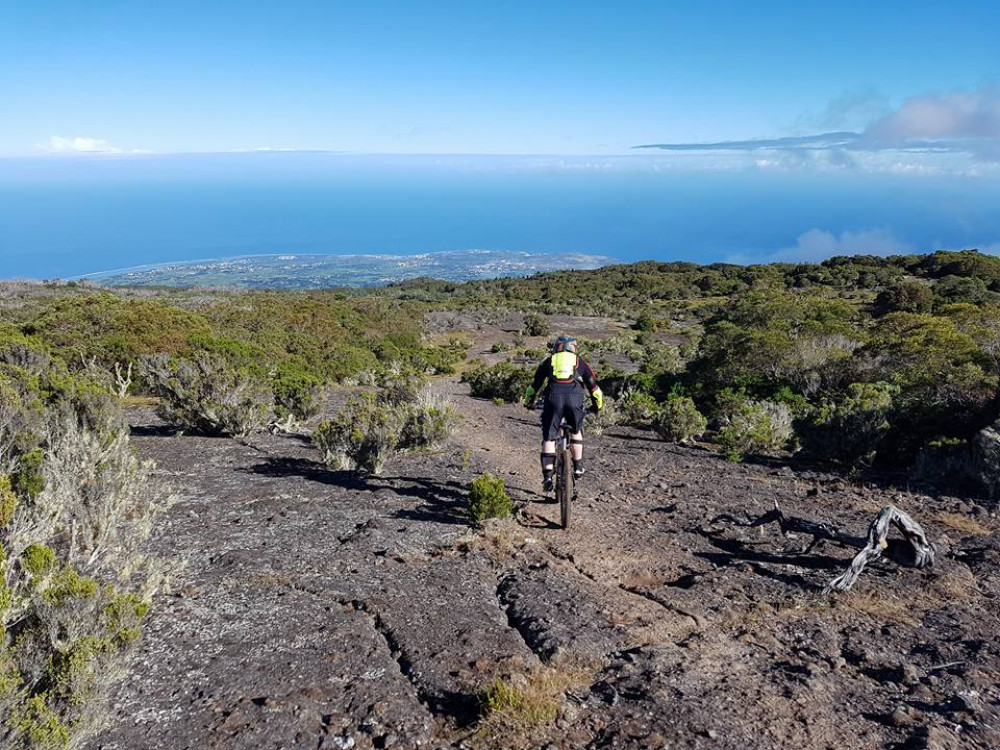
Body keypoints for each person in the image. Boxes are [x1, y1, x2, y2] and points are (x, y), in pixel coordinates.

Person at [523, 335, 604, 491]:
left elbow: (534, 386)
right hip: (575, 398)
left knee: (549, 437)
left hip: (553, 397)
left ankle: (547, 477)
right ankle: (578, 466)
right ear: (573, 348)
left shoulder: (548, 362)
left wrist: (529, 402)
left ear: (556, 347)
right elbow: (594, 389)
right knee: (576, 430)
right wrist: (597, 407)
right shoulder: (580, 362)